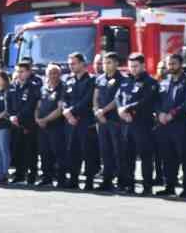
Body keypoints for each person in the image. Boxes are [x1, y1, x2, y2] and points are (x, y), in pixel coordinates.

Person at [115, 53, 158, 195]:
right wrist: (121, 108)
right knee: (127, 156)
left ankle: (147, 186)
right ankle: (129, 185)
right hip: (126, 125)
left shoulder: (150, 82)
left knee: (146, 156)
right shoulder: (126, 81)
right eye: (130, 66)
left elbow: (146, 101)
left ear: (143, 66)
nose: (133, 69)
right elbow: (118, 97)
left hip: (142, 124)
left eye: (136, 66)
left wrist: (128, 109)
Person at [153, 54, 186, 197]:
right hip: (164, 125)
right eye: (169, 64)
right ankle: (169, 186)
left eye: (174, 64)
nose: (171, 67)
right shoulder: (164, 81)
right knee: (167, 157)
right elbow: (157, 100)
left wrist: (172, 114)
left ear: (181, 64)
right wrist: (159, 113)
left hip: (181, 125)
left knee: (185, 156)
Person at [60, 52, 95, 190]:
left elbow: (87, 100)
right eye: (70, 64)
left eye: (74, 63)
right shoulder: (68, 79)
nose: (71, 66)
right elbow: (63, 100)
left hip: (84, 121)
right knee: (72, 151)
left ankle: (89, 181)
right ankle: (73, 180)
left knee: (88, 152)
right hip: (70, 121)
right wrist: (66, 112)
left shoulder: (91, 80)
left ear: (82, 63)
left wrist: (71, 111)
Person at [91, 52, 124, 192]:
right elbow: (95, 97)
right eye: (104, 63)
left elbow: (118, 99)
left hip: (114, 120)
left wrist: (103, 111)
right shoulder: (100, 79)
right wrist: (97, 111)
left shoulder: (122, 79)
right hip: (101, 121)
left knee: (118, 151)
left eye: (109, 62)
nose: (105, 65)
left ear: (116, 63)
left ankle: (122, 181)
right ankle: (107, 180)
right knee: (105, 152)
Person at [4, 60, 40, 184]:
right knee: (17, 150)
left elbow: (30, 106)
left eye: (22, 71)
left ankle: (32, 175)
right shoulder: (12, 86)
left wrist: (18, 117)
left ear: (29, 72)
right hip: (14, 124)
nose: (19, 74)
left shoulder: (33, 86)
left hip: (28, 124)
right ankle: (19, 174)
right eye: (17, 71)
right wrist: (11, 116)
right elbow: (7, 103)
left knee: (30, 150)